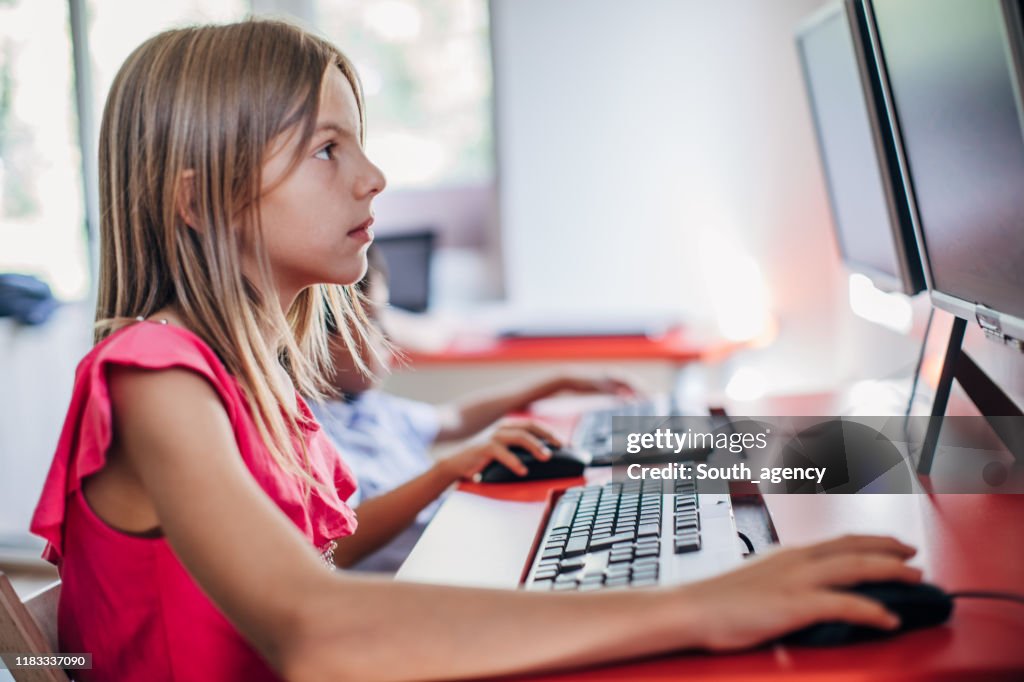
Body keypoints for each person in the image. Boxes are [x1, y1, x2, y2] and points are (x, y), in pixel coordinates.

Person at [29, 19, 922, 682]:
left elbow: (316, 558)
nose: (372, 178)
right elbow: (313, 627)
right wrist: (700, 605)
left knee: (695, 484)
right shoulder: (153, 377)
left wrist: (466, 479)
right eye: (326, 151)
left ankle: (888, 462)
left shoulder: (250, 379)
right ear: (199, 200)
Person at [311, 247, 636, 572]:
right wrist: (446, 471)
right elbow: (341, 547)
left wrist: (555, 382)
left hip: (459, 547)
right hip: (424, 583)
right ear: (312, 339)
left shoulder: (372, 408)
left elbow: (456, 417)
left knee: (598, 507)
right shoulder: (311, 434)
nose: (389, 335)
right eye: (370, 321)